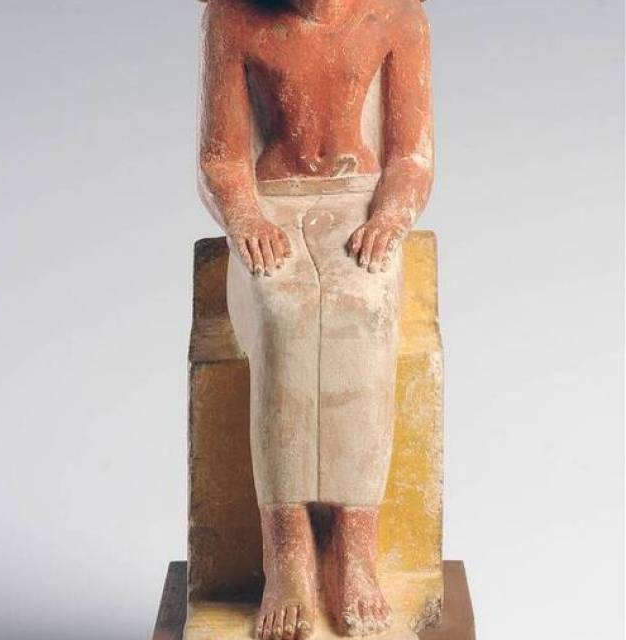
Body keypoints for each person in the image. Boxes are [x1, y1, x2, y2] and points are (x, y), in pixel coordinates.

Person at [197, 1, 433, 637]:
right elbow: (222, 159)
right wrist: (246, 217)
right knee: (285, 314)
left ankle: (355, 545)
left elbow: (411, 157)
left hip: (359, 199)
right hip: (274, 201)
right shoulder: (232, 16)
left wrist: (389, 216)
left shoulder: (397, 14)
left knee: (363, 310)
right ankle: (288, 548)